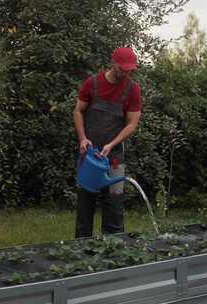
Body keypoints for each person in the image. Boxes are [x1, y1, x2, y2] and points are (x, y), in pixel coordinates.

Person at [73, 47, 142, 238]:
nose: (126, 73)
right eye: (123, 69)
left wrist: (111, 144)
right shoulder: (92, 84)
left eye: (130, 70)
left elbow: (131, 124)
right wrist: (82, 138)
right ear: (113, 63)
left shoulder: (132, 90)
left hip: (114, 158)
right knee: (85, 207)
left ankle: (114, 253)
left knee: (114, 206)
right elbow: (78, 110)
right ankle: (80, 251)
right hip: (89, 156)